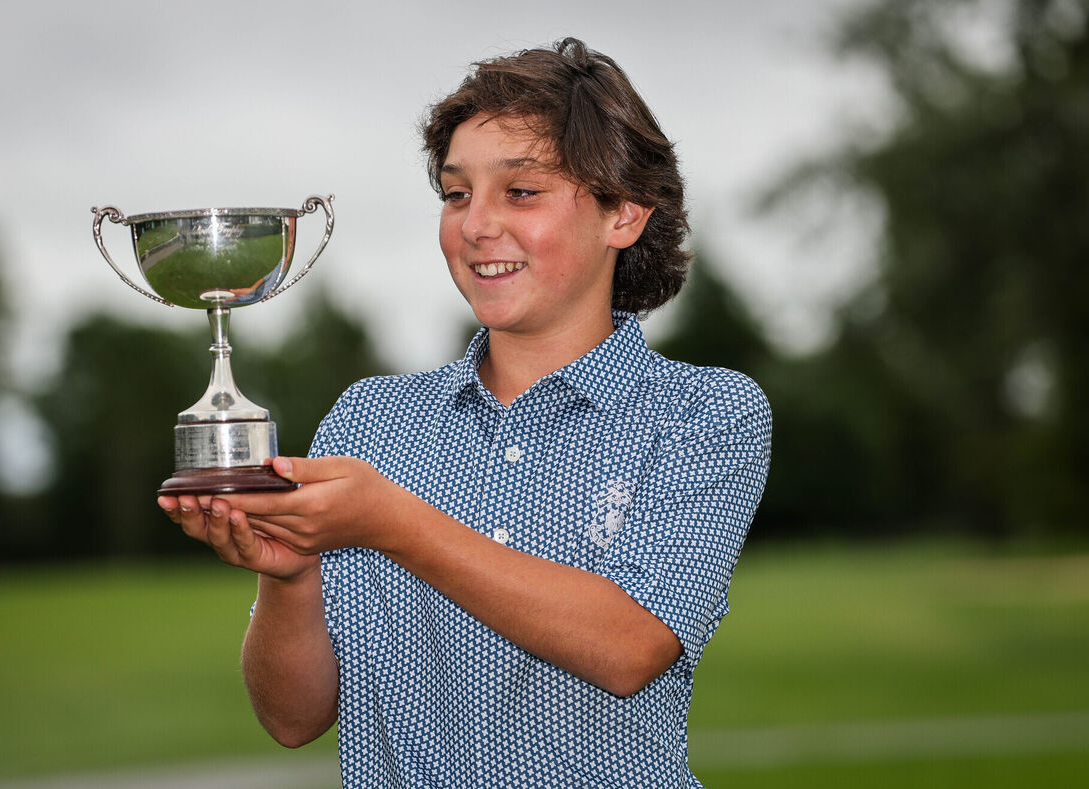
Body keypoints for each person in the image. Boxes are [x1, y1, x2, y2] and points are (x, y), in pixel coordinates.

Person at [159, 37, 772, 788]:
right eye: (456, 194)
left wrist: (391, 522)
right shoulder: (369, 419)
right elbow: (293, 719)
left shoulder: (707, 412)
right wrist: (289, 580)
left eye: (520, 191)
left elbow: (628, 646)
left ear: (626, 212)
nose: (475, 224)